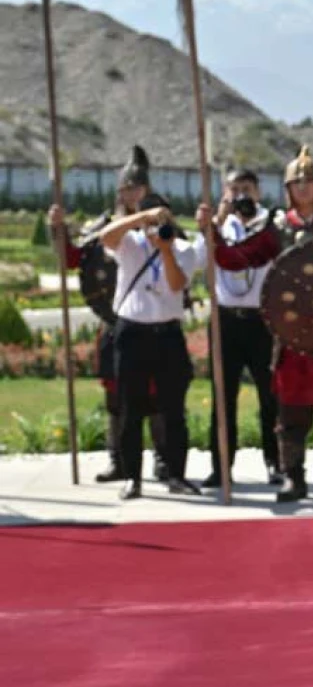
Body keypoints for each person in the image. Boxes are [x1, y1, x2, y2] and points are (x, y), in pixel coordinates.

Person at [200, 147, 313, 503]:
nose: (303, 186)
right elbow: (238, 258)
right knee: (291, 410)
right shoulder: (280, 228)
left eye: (309, 181)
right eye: (296, 182)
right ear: (287, 188)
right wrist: (212, 231)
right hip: (295, 332)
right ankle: (293, 478)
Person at [48, 146, 171, 482]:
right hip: (117, 324)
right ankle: (120, 461)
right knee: (116, 396)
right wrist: (58, 229)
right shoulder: (104, 227)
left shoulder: (164, 223)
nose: (130, 194)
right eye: (125, 188)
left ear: (147, 189)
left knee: (157, 394)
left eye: (136, 187)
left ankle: (163, 459)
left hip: (157, 324)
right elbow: (72, 258)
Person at [99, 186, 205, 500]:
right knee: (130, 409)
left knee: (173, 409)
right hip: (132, 333)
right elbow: (105, 237)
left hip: (167, 334)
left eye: (161, 218)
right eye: (151, 220)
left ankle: (176, 474)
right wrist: (140, 218)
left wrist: (166, 250)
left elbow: (177, 284)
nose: (155, 226)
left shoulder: (182, 248)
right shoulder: (130, 243)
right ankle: (132, 477)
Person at [199, 168, 280, 488]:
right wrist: (215, 221)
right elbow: (199, 258)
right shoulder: (218, 226)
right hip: (225, 320)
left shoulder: (271, 225)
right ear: (224, 193)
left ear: (258, 191)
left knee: (270, 396)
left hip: (262, 320)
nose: (241, 195)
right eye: (234, 189)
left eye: (246, 188)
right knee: (223, 397)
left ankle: (275, 462)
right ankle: (221, 466)